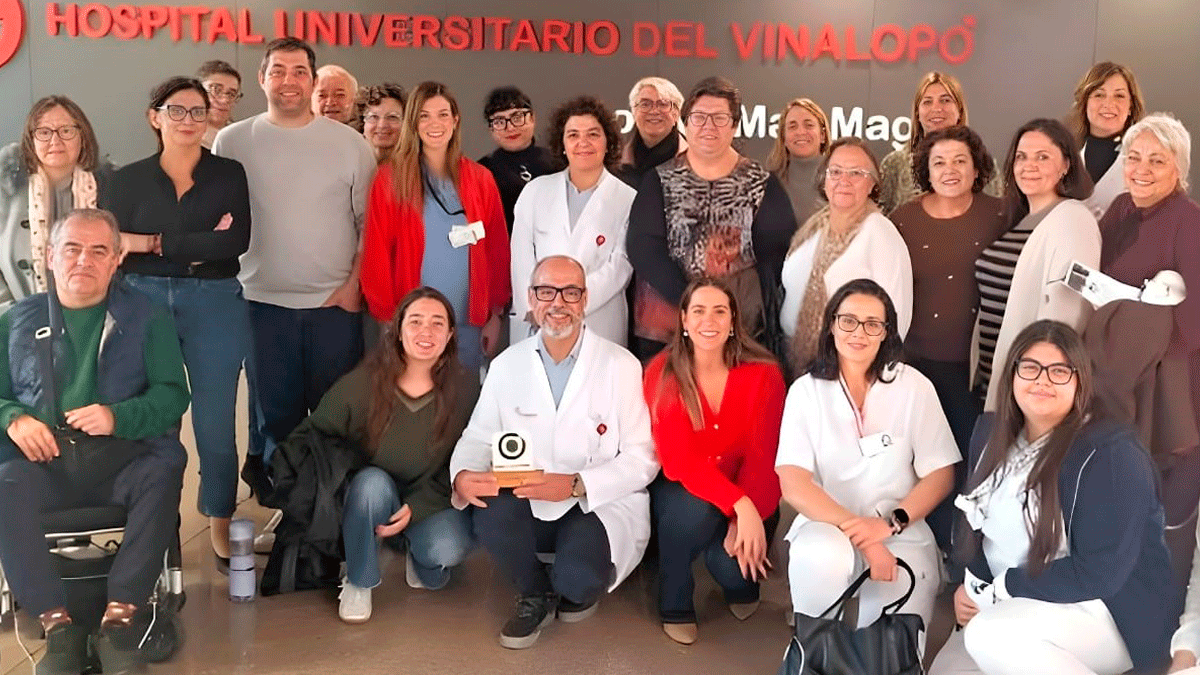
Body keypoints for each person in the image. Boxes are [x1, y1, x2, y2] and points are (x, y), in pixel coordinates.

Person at [0, 209, 190, 674]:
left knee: (166, 465)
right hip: (43, 461)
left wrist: (117, 417)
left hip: (120, 458)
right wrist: (13, 418)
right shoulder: (14, 321)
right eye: (72, 248)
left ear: (116, 259)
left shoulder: (147, 316)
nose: (83, 259)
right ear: (50, 256)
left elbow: (173, 395)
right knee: (4, 483)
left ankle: (120, 620)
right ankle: (57, 626)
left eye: (98, 250)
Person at [930, 320, 1175, 675]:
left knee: (989, 636)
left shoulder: (1111, 454)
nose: (1042, 380)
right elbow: (976, 527)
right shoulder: (990, 434)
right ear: (1012, 375)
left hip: (1098, 613)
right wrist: (971, 585)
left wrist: (1003, 589)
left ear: (1080, 381)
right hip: (1008, 603)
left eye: (1059, 371)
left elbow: (1101, 572)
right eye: (1030, 367)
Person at [450, 255, 658, 650]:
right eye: (546, 292)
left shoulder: (621, 366)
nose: (558, 303)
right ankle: (534, 594)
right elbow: (478, 437)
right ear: (531, 298)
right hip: (529, 499)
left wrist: (576, 484)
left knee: (577, 582)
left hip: (596, 504)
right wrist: (462, 475)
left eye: (570, 292)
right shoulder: (507, 365)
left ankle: (567, 579)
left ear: (585, 300)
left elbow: (643, 457)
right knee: (488, 511)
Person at [212, 37, 376, 482]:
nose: (289, 80)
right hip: (261, 306)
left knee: (335, 420)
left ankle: (330, 510)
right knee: (275, 423)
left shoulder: (351, 145)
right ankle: (287, 510)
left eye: (300, 71)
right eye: (278, 71)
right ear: (262, 78)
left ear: (312, 80)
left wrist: (352, 288)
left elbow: (369, 225)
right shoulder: (232, 141)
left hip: (333, 306)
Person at [107, 76, 252, 571]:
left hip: (215, 300)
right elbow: (116, 245)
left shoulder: (229, 174)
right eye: (177, 110)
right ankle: (158, 530)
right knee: (156, 420)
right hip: (144, 301)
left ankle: (219, 523)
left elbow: (234, 243)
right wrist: (195, 243)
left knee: (216, 423)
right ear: (155, 117)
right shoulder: (125, 180)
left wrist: (151, 241)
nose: (188, 120)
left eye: (198, 111)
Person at [267, 287, 480, 623]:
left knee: (446, 550)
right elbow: (311, 435)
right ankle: (359, 579)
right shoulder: (363, 384)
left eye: (437, 323)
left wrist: (418, 506)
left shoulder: (467, 390)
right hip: (372, 498)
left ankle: (415, 555)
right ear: (397, 330)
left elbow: (470, 457)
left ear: (451, 334)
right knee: (371, 485)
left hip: (431, 501)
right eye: (416, 321)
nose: (426, 332)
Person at [776, 278, 958, 639]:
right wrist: (866, 538)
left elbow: (941, 473)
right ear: (831, 325)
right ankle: (813, 652)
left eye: (872, 324)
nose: (859, 332)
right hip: (827, 524)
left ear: (886, 332)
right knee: (821, 557)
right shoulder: (806, 391)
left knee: (890, 642)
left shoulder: (914, 386)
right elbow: (793, 483)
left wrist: (890, 524)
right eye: (848, 321)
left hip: (899, 528)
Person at [643, 278, 785, 644]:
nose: (709, 320)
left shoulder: (764, 374)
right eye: (699, 311)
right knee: (687, 515)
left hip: (751, 489)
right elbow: (680, 461)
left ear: (733, 320)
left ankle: (737, 582)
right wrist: (739, 505)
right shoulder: (662, 372)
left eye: (720, 311)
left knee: (733, 568)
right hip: (686, 489)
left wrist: (746, 514)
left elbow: (764, 458)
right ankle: (675, 601)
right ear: (684, 320)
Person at [1095, 113, 1200, 586]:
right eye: (1133, 157)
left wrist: (1139, 330)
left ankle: (1164, 600)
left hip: (1171, 389)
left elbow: (1194, 320)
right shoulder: (1120, 209)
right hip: (1118, 380)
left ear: (1179, 168)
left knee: (1167, 501)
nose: (1141, 169)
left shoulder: (1189, 221)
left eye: (1157, 161)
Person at [890, 126, 1006, 549]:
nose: (950, 170)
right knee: (921, 460)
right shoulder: (903, 219)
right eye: (939, 162)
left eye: (960, 160)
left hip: (977, 366)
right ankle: (922, 546)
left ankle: (962, 551)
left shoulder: (1001, 214)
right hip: (915, 362)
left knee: (969, 459)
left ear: (977, 168)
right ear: (926, 170)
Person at [626, 76, 795, 361]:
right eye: (699, 117)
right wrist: (691, 301)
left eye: (719, 118)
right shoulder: (658, 180)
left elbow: (776, 257)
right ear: (685, 123)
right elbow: (643, 248)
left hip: (739, 330)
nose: (708, 126)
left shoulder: (762, 183)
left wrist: (722, 308)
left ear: (734, 125)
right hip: (667, 329)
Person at [361, 81, 510, 374]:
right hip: (412, 325)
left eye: (443, 114)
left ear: (455, 120)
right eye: (424, 116)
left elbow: (496, 250)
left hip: (468, 324)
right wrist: (389, 319)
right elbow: (376, 254)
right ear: (413, 123)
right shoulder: (390, 179)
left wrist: (494, 313)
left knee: (464, 396)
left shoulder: (481, 179)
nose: (435, 124)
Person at [973, 118, 1099, 411]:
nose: (1029, 166)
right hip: (993, 375)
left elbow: (1067, 315)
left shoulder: (1073, 219)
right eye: (1021, 157)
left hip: (1031, 385)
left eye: (1042, 157)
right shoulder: (1017, 219)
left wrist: (1039, 378)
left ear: (1065, 165)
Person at [780, 137, 913, 375]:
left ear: (872, 184)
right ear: (824, 179)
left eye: (856, 173)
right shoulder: (813, 227)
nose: (844, 180)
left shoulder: (881, 234)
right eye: (835, 171)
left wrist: (868, 378)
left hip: (849, 372)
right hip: (794, 365)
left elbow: (896, 320)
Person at [510, 96, 635, 346]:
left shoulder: (627, 198)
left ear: (608, 143)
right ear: (563, 144)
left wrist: (569, 304)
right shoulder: (535, 191)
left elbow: (620, 268)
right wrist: (540, 306)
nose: (583, 143)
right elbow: (520, 259)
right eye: (573, 135)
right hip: (538, 319)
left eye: (593, 134)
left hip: (599, 321)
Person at [0, 96, 111, 307]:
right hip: (17, 317)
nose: (55, 141)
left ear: (83, 136)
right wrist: (11, 314)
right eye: (44, 132)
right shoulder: (5, 193)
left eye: (66, 131)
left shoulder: (109, 189)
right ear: (31, 140)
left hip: (95, 316)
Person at [876, 72, 1001, 215]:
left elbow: (996, 215)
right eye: (927, 102)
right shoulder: (894, 164)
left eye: (945, 100)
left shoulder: (982, 163)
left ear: (959, 110)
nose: (936, 108)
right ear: (917, 113)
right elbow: (880, 219)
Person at [1070, 62, 1146, 219]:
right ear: (1085, 102)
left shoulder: (1147, 160)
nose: (1109, 104)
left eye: (1119, 96)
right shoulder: (1063, 157)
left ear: (1130, 106)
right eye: (1099, 95)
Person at [477, 86, 555, 231]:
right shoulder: (481, 172)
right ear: (490, 128)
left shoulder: (559, 163)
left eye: (517, 117)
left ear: (532, 118)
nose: (510, 128)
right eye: (499, 121)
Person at [767, 97, 830, 227]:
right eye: (792, 126)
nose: (800, 132)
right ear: (783, 138)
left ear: (822, 135)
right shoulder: (767, 185)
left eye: (809, 125)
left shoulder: (840, 181)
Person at [617, 76, 688, 189]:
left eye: (663, 104)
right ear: (634, 112)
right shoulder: (616, 162)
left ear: (676, 113)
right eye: (645, 104)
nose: (654, 111)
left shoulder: (695, 162)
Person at [196, 60, 243, 149]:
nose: (224, 100)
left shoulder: (242, 140)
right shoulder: (179, 140)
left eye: (231, 94)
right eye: (216, 90)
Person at [358, 83, 406, 163]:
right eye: (374, 117)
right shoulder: (347, 163)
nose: (382, 125)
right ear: (363, 123)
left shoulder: (418, 167)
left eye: (392, 117)